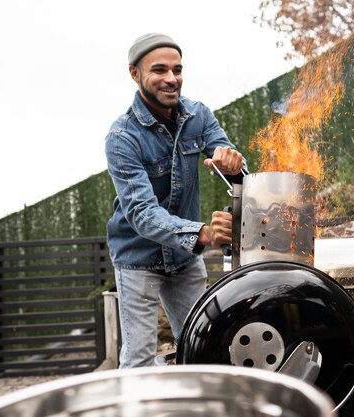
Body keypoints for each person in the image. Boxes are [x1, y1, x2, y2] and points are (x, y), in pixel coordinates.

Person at [105, 33, 245, 368]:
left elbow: (237, 173)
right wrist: (204, 235)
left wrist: (234, 164)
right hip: (137, 257)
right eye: (159, 70)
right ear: (135, 74)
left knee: (204, 345)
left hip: (184, 258)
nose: (171, 79)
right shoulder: (121, 137)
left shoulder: (199, 116)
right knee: (139, 358)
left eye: (177, 69)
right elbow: (141, 212)